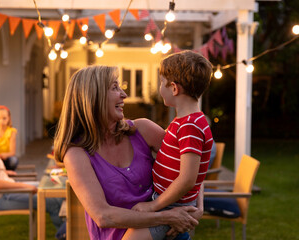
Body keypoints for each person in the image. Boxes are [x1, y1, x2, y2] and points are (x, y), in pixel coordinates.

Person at [53, 65, 204, 240]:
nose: (124, 95)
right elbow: (103, 215)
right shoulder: (76, 154)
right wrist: (167, 217)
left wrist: (198, 206)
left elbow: (190, 164)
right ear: (93, 97)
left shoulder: (143, 129)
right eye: (115, 88)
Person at [127, 50, 214, 240]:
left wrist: (153, 207)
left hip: (171, 206)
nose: (160, 87)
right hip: (169, 202)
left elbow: (188, 179)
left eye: (161, 82)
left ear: (174, 88)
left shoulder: (190, 126)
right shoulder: (183, 122)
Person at [0, 113, 64, 233]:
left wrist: (3, 171)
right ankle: (64, 234)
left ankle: (68, 229)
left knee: (52, 190)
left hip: (7, 192)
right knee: (52, 201)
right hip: (3, 198)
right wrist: (25, 186)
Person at [0, 105, 19, 171]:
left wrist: (3, 155)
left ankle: (7, 172)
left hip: (6, 158)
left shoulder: (11, 131)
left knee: (13, 160)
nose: (1, 121)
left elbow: (12, 152)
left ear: (9, 118)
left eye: (4, 118)